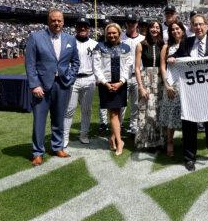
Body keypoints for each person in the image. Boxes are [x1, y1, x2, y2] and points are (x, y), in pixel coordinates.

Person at [171, 13, 208, 171]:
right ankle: (189, 157)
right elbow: (176, 57)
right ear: (191, 27)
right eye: (195, 24)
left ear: (206, 25)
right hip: (191, 93)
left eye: (201, 24)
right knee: (189, 124)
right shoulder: (186, 42)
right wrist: (172, 58)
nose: (198, 27)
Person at [26, 9, 80, 166]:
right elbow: (30, 63)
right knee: (39, 121)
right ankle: (37, 152)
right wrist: (34, 84)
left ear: (63, 22)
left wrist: (69, 78)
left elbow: (75, 62)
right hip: (41, 86)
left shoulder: (70, 39)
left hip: (62, 85)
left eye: (59, 20)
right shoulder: (36, 37)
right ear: (48, 21)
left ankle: (57, 147)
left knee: (58, 119)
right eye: (53, 20)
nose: (57, 23)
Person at [93, 23, 132, 156]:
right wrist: (105, 83)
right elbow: (96, 67)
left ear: (119, 33)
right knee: (113, 113)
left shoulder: (126, 48)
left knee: (118, 112)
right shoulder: (99, 47)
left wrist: (121, 82)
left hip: (121, 84)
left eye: (114, 33)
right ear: (105, 34)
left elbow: (128, 67)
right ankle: (120, 141)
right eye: (109, 33)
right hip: (106, 85)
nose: (112, 35)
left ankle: (113, 137)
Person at [63, 16, 97, 147]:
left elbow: (97, 64)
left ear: (89, 28)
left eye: (85, 26)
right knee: (69, 109)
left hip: (89, 78)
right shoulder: (69, 42)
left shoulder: (94, 44)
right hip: (73, 79)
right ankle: (65, 137)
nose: (82, 28)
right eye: (80, 26)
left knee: (86, 110)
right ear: (76, 28)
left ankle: (84, 134)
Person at [134, 20, 165, 150]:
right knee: (146, 110)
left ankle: (159, 141)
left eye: (157, 27)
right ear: (148, 29)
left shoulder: (163, 45)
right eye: (152, 27)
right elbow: (136, 68)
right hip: (146, 78)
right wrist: (141, 86)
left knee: (158, 111)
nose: (155, 29)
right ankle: (146, 141)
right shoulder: (141, 45)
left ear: (160, 30)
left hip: (160, 79)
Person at [159, 21, 186, 157]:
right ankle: (169, 142)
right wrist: (167, 84)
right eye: (173, 29)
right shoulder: (166, 47)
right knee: (171, 113)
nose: (175, 31)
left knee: (186, 113)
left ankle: (186, 139)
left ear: (182, 29)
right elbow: (163, 67)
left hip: (187, 84)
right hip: (172, 84)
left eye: (178, 28)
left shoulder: (189, 43)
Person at [120, 14, 145, 135]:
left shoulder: (143, 39)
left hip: (137, 75)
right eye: (129, 22)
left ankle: (133, 127)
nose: (131, 24)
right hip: (122, 76)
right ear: (126, 23)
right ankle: (118, 126)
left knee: (135, 104)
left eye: (133, 22)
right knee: (121, 104)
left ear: (137, 23)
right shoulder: (120, 37)